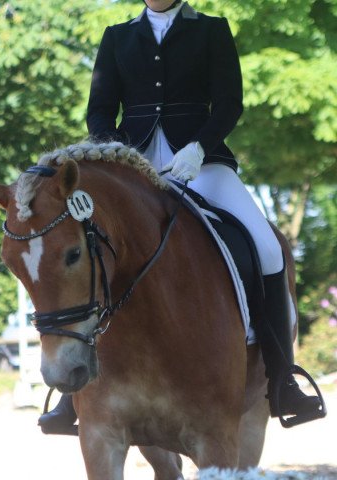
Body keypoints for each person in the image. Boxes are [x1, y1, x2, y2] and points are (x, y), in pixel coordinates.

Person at [39, 0, 323, 434]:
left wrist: (200, 147)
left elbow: (229, 103)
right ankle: (71, 395)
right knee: (87, 244)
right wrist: (117, 155)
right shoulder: (118, 36)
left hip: (202, 163)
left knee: (267, 248)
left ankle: (283, 379)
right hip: (132, 170)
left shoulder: (211, 29)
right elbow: (99, 110)